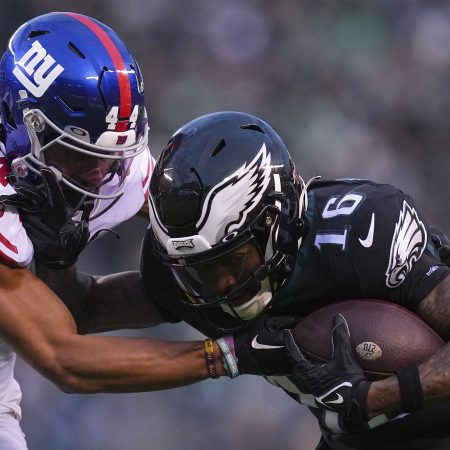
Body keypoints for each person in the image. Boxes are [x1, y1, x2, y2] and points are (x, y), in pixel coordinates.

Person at [0, 14, 274, 450]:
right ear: (20, 125)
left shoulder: (107, 163)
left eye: (111, 155)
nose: (101, 174)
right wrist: (231, 354)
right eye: (79, 154)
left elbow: (209, 218)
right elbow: (66, 360)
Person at [139, 111, 450, 449]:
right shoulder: (174, 276)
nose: (224, 284)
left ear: (276, 222)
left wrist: (375, 398)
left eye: (233, 259)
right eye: (199, 271)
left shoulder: (363, 233)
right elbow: (78, 350)